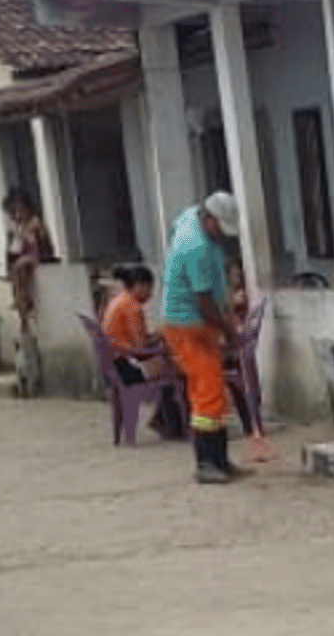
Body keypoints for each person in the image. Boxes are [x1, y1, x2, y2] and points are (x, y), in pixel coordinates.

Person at [160, 192, 244, 483]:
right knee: (207, 390)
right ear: (207, 218)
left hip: (199, 323)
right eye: (219, 227)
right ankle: (207, 463)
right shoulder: (194, 246)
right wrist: (229, 332)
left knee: (213, 388)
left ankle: (220, 460)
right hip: (187, 324)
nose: (222, 235)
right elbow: (204, 301)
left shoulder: (190, 216)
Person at [102, 264, 184, 440]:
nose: (151, 294)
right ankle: (171, 422)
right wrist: (162, 339)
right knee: (178, 370)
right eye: (149, 288)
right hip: (126, 367)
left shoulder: (119, 300)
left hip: (115, 366)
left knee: (168, 367)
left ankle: (164, 420)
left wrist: (157, 336)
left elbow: (137, 341)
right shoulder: (132, 307)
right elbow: (141, 348)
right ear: (140, 285)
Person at [224, 259, 274, 463]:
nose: (238, 278)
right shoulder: (223, 297)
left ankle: (254, 428)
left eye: (239, 274)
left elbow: (239, 328)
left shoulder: (240, 297)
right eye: (234, 275)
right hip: (231, 351)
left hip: (235, 352)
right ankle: (253, 427)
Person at [4, 188, 51, 396]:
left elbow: (40, 248)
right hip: (21, 266)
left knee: (21, 267)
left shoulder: (35, 224)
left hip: (36, 260)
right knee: (16, 268)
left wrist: (26, 240)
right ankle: (20, 302)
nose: (17, 214)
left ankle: (23, 302)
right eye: (14, 211)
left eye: (20, 209)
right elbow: (12, 253)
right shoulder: (16, 229)